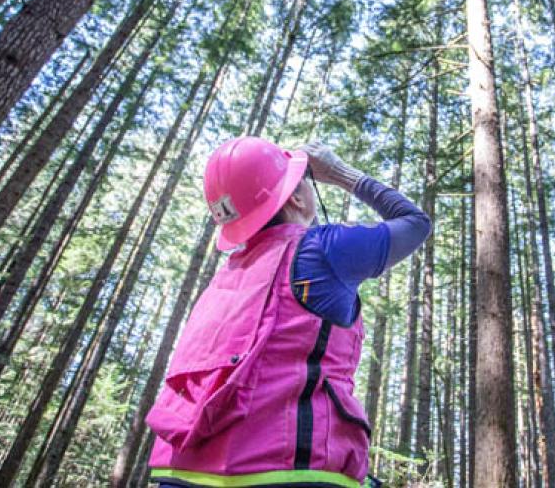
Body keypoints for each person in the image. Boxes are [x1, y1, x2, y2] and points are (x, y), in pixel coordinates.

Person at [145, 136, 430, 487]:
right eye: (303, 180)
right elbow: (415, 223)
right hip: (287, 472)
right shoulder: (322, 249)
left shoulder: (226, 278)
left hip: (180, 474)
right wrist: (339, 172)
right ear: (294, 196)